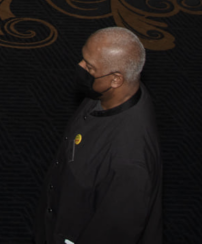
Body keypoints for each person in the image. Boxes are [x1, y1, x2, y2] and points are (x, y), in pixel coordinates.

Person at [34, 26, 163, 244]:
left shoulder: (129, 162)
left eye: (90, 67)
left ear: (115, 79)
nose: (81, 67)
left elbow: (114, 232)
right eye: (83, 59)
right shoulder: (107, 94)